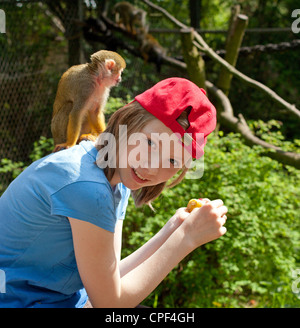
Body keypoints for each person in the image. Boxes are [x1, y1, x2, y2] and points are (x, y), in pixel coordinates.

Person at [0, 77, 228, 308]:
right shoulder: (88, 188)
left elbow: (110, 278)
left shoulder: (115, 179)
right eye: (149, 143)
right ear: (127, 122)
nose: (151, 166)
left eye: (171, 160)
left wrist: (173, 229)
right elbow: (110, 305)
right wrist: (186, 238)